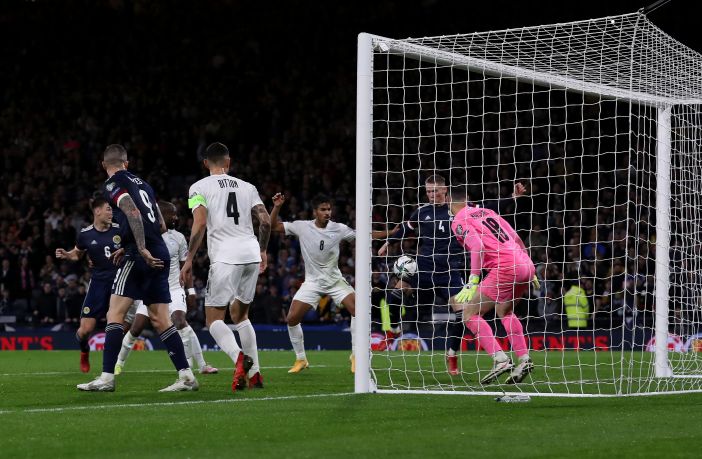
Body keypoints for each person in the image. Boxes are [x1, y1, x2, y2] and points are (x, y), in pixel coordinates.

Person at [377, 174, 526, 376]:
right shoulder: (422, 211)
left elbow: (490, 207)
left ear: (445, 190)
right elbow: (406, 228)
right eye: (428, 191)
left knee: (462, 314)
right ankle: (393, 331)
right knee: (395, 294)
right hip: (425, 266)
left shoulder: (460, 209)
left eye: (435, 191)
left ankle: (452, 354)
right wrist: (389, 242)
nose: (432, 195)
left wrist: (512, 198)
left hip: (449, 270)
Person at [77, 144, 197, 392]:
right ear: (127, 163)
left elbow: (131, 210)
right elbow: (161, 225)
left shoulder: (112, 184)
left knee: (115, 314)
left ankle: (107, 378)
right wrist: (136, 244)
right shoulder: (145, 185)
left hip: (139, 255)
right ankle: (186, 376)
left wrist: (139, 247)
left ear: (104, 165)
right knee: (161, 319)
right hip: (159, 251)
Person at [180, 142, 269, 391]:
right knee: (241, 316)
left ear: (205, 163)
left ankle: (240, 359)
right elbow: (265, 221)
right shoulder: (248, 187)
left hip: (225, 256)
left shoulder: (198, 187)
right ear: (228, 162)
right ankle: (255, 375)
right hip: (250, 253)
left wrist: (189, 259)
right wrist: (262, 250)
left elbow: (200, 223)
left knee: (213, 320)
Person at [114, 201, 218, 375]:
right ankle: (118, 365)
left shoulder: (178, 238)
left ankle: (199, 366)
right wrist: (124, 250)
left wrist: (191, 291)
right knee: (136, 328)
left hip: (175, 288)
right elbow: (134, 250)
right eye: (172, 214)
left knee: (179, 321)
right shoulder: (146, 236)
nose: (176, 217)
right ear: (161, 216)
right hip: (151, 289)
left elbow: (186, 266)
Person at [448, 187, 537, 385]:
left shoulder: (459, 220)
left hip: (505, 267)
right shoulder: (487, 211)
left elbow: (477, 247)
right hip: (525, 264)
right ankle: (524, 359)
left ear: (449, 202)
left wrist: (473, 280)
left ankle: (500, 359)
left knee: (469, 313)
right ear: (467, 199)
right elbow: (516, 237)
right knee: (505, 311)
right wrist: (530, 266)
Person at [56, 196, 124, 373]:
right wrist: (67, 254)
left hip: (119, 282)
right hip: (98, 283)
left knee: (116, 323)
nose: (111, 212)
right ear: (97, 211)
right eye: (108, 209)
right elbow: (77, 254)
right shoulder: (85, 234)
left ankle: (110, 366)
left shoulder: (120, 230)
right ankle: (84, 351)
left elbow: (134, 248)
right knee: (85, 330)